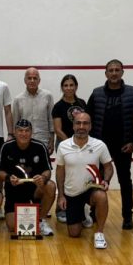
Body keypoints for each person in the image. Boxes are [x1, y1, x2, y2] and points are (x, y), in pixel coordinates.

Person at [86, 59, 133, 230]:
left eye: (117, 70)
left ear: (122, 72)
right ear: (106, 73)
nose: (114, 73)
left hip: (123, 146)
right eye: (111, 70)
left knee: (125, 181)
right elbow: (88, 118)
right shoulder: (96, 93)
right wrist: (91, 144)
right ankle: (94, 213)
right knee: (97, 180)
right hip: (100, 147)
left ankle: (127, 216)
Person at [56, 112, 114, 249]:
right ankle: (84, 214)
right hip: (72, 192)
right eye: (78, 123)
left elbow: (108, 167)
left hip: (91, 189)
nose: (81, 126)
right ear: (73, 126)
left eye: (85, 123)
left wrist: (106, 180)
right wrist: (61, 195)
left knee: (101, 196)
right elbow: (60, 171)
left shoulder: (99, 145)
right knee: (74, 233)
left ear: (90, 126)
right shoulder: (63, 146)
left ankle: (99, 233)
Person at [0, 119, 56, 236]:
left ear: (31, 132)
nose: (23, 134)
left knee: (50, 185)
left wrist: (43, 178)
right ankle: (29, 212)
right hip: (13, 190)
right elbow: (0, 172)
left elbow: (47, 170)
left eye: (27, 131)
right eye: (20, 130)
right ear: (15, 132)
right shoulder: (6, 147)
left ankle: (40, 220)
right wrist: (9, 178)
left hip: (35, 189)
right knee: (12, 227)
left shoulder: (40, 146)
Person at [52, 74, 87, 224]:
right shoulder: (58, 106)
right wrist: (71, 144)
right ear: (62, 88)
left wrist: (80, 142)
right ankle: (61, 209)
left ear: (76, 86)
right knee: (64, 177)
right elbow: (57, 129)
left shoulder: (82, 103)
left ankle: (79, 210)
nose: (69, 88)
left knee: (80, 176)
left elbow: (86, 124)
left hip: (82, 145)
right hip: (64, 145)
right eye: (65, 85)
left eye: (71, 85)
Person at [11, 68, 55, 154]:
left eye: (35, 78)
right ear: (25, 80)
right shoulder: (18, 99)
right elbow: (15, 123)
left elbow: (51, 120)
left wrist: (52, 140)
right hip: (23, 142)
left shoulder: (48, 96)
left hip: (43, 141)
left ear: (39, 80)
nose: (32, 81)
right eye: (29, 78)